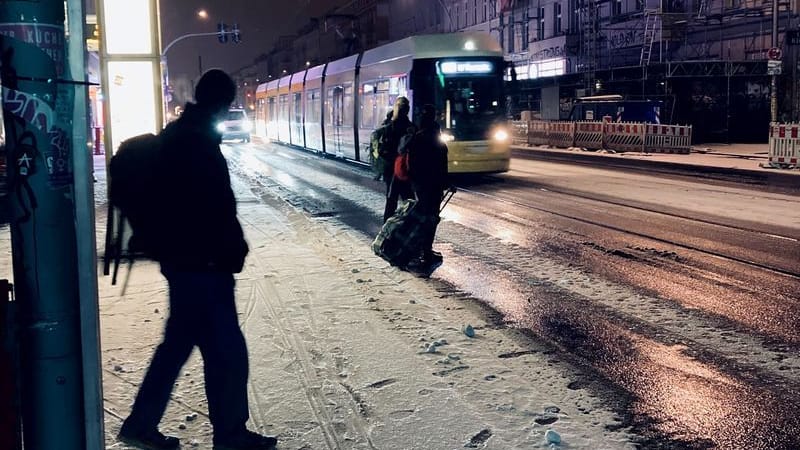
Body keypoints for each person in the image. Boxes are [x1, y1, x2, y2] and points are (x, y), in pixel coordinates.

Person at [117, 69, 277, 450]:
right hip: (202, 265)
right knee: (227, 353)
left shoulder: (184, 135)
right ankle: (230, 435)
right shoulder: (195, 143)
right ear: (222, 101)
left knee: (180, 346)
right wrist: (229, 249)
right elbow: (210, 208)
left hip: (187, 262)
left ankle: (142, 424)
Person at [407, 104, 449, 267]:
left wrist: (414, 181)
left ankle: (422, 248)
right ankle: (426, 250)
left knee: (424, 216)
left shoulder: (417, 136)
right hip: (434, 184)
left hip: (420, 184)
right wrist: (446, 182)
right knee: (432, 217)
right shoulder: (435, 137)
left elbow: (412, 163)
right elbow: (442, 163)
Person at [381, 97, 415, 222]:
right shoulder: (411, 127)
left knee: (391, 200)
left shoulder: (389, 127)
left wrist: (392, 160)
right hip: (406, 169)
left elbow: (383, 150)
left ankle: (387, 228)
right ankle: (410, 226)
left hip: (391, 169)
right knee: (409, 200)